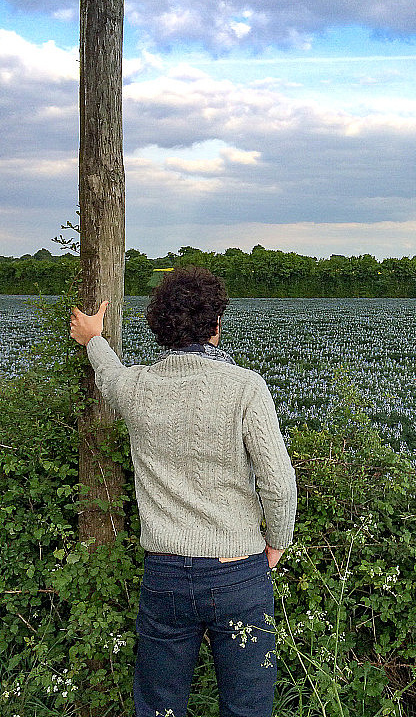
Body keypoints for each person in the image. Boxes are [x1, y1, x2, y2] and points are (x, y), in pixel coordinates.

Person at [69, 266, 297, 717]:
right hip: (238, 571)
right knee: (248, 706)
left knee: (157, 706)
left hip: (166, 574)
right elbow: (277, 480)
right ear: (215, 324)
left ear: (162, 327)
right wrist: (277, 541)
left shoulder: (139, 387)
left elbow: (110, 376)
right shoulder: (244, 386)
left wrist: (94, 338)